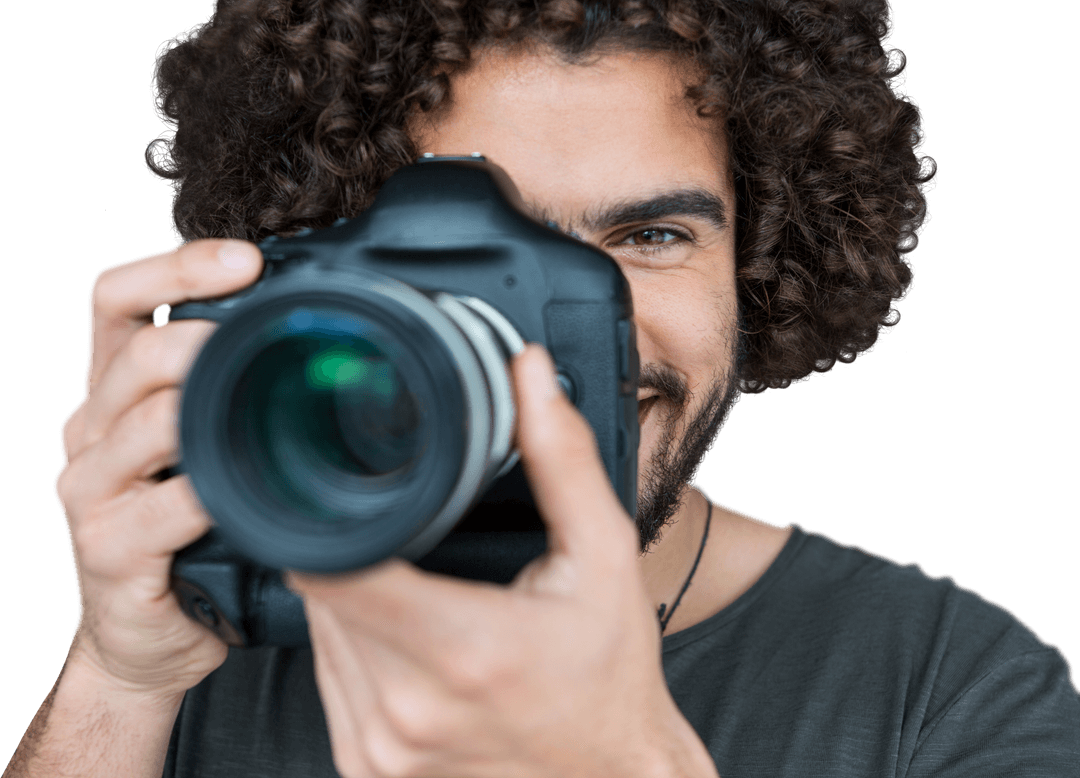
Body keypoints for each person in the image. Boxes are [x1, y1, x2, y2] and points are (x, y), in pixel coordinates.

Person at [5, 0, 1078, 776]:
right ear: (326, 278)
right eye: (477, 262)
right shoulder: (221, 612)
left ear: (760, 265)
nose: (567, 333)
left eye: (651, 235)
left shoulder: (949, 687)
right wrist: (120, 679)